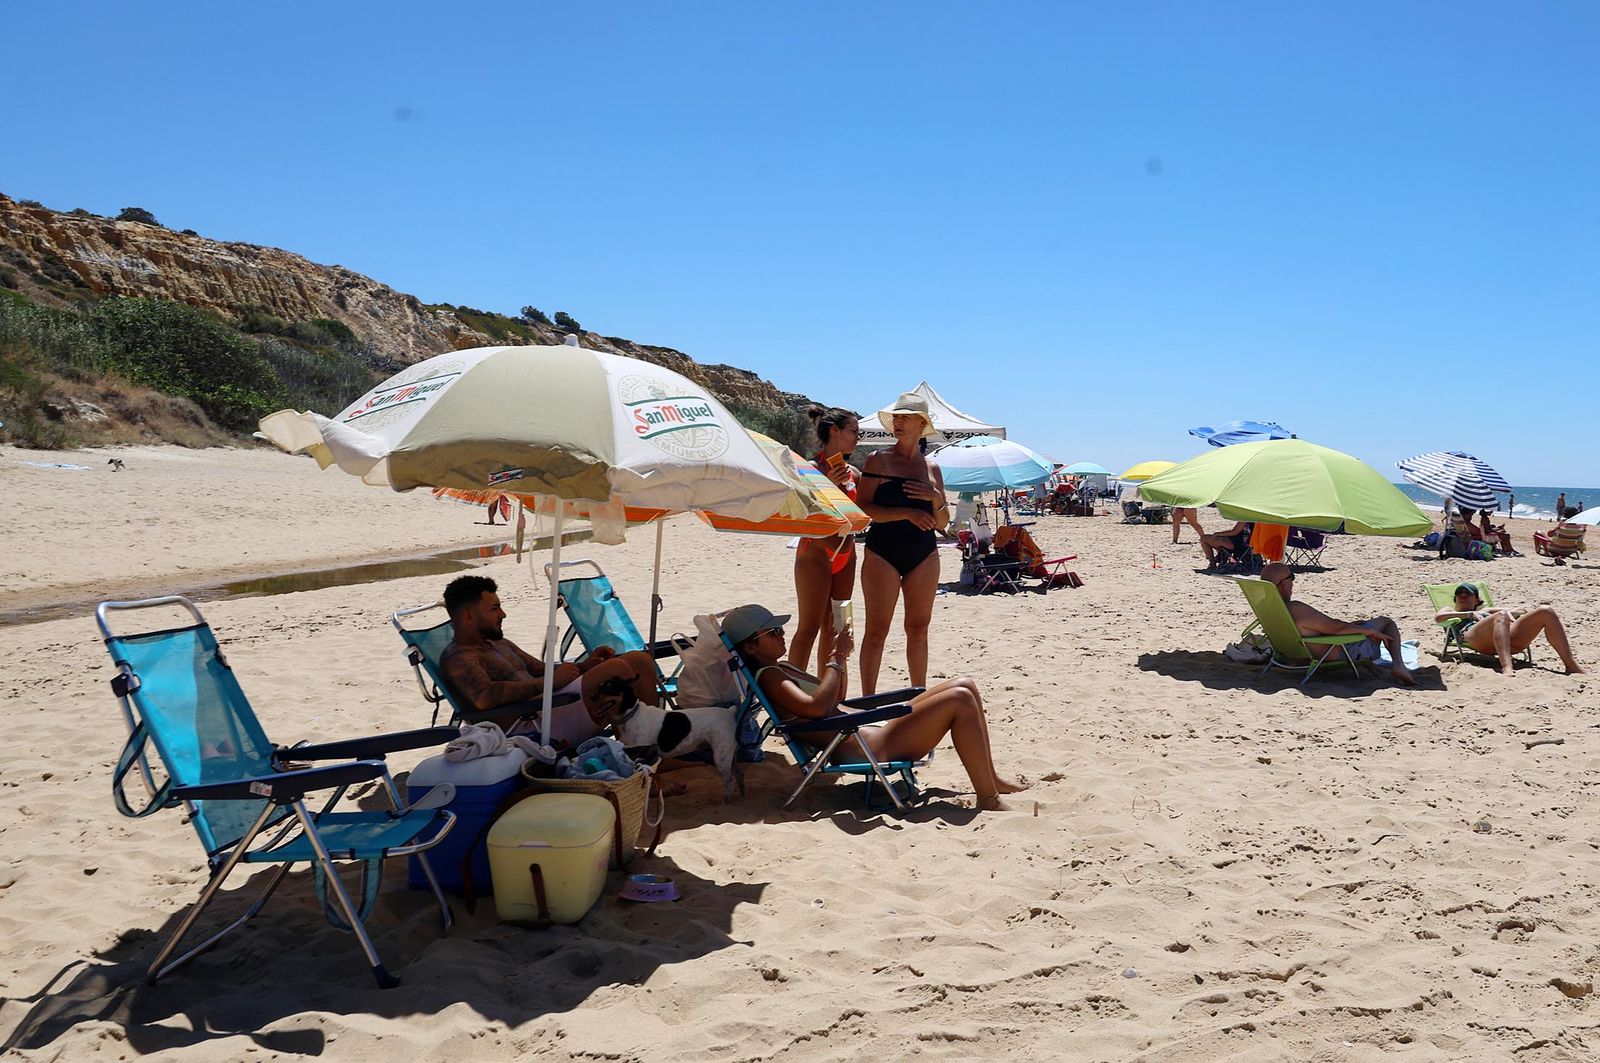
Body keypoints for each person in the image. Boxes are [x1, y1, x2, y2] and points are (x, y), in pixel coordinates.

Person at [725, 604, 1027, 811]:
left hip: (868, 730)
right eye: (772, 632)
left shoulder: (784, 668)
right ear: (751, 647)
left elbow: (835, 697)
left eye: (779, 629)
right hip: (866, 747)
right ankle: (987, 798)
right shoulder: (770, 678)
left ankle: (992, 779)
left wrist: (836, 657)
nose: (781, 634)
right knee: (959, 699)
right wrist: (838, 658)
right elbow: (817, 708)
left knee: (965, 684)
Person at [438, 575, 659, 742]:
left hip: (551, 706)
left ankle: (655, 744)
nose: (502, 614)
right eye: (495, 608)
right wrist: (549, 683)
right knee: (616, 669)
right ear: (468, 616)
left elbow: (540, 669)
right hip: (528, 726)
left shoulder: (498, 643)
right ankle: (639, 752)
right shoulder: (458, 657)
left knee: (639, 661)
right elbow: (484, 697)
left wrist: (584, 666)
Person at [858, 392, 949, 695]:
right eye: (896, 417)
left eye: (904, 417)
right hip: (882, 550)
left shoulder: (932, 469)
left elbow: (943, 523)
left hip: (924, 553)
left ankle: (918, 696)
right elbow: (864, 510)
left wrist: (935, 499)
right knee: (876, 631)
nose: (897, 422)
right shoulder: (879, 460)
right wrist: (906, 512)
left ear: (921, 423)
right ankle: (868, 701)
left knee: (918, 628)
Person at [789, 406, 862, 674]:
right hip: (815, 552)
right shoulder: (811, 468)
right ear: (835, 431)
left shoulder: (853, 473)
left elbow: (864, 511)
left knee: (837, 627)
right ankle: (793, 694)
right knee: (808, 628)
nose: (857, 438)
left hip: (847, 553)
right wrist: (827, 484)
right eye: (853, 431)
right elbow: (800, 512)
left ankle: (828, 693)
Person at [1260, 563, 1416, 685]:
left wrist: (1353, 626)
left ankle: (1375, 669)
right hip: (1334, 653)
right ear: (1284, 584)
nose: (1293, 582)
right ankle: (1399, 665)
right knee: (1386, 622)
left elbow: (1325, 629)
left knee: (1358, 628)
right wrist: (1368, 632)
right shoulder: (1295, 609)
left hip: (1298, 656)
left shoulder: (1267, 609)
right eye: (1291, 577)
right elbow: (1337, 628)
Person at [1435, 583, 1585, 676]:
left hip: (1505, 638)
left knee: (1546, 611)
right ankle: (1507, 667)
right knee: (1500, 615)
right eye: (1459, 593)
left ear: (1476, 600)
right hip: (1472, 636)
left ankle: (1571, 665)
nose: (1462, 595)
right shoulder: (1450, 609)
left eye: (1467, 593)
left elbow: (1511, 610)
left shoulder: (1486, 610)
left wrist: (1514, 612)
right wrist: (1468, 614)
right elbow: (1438, 618)